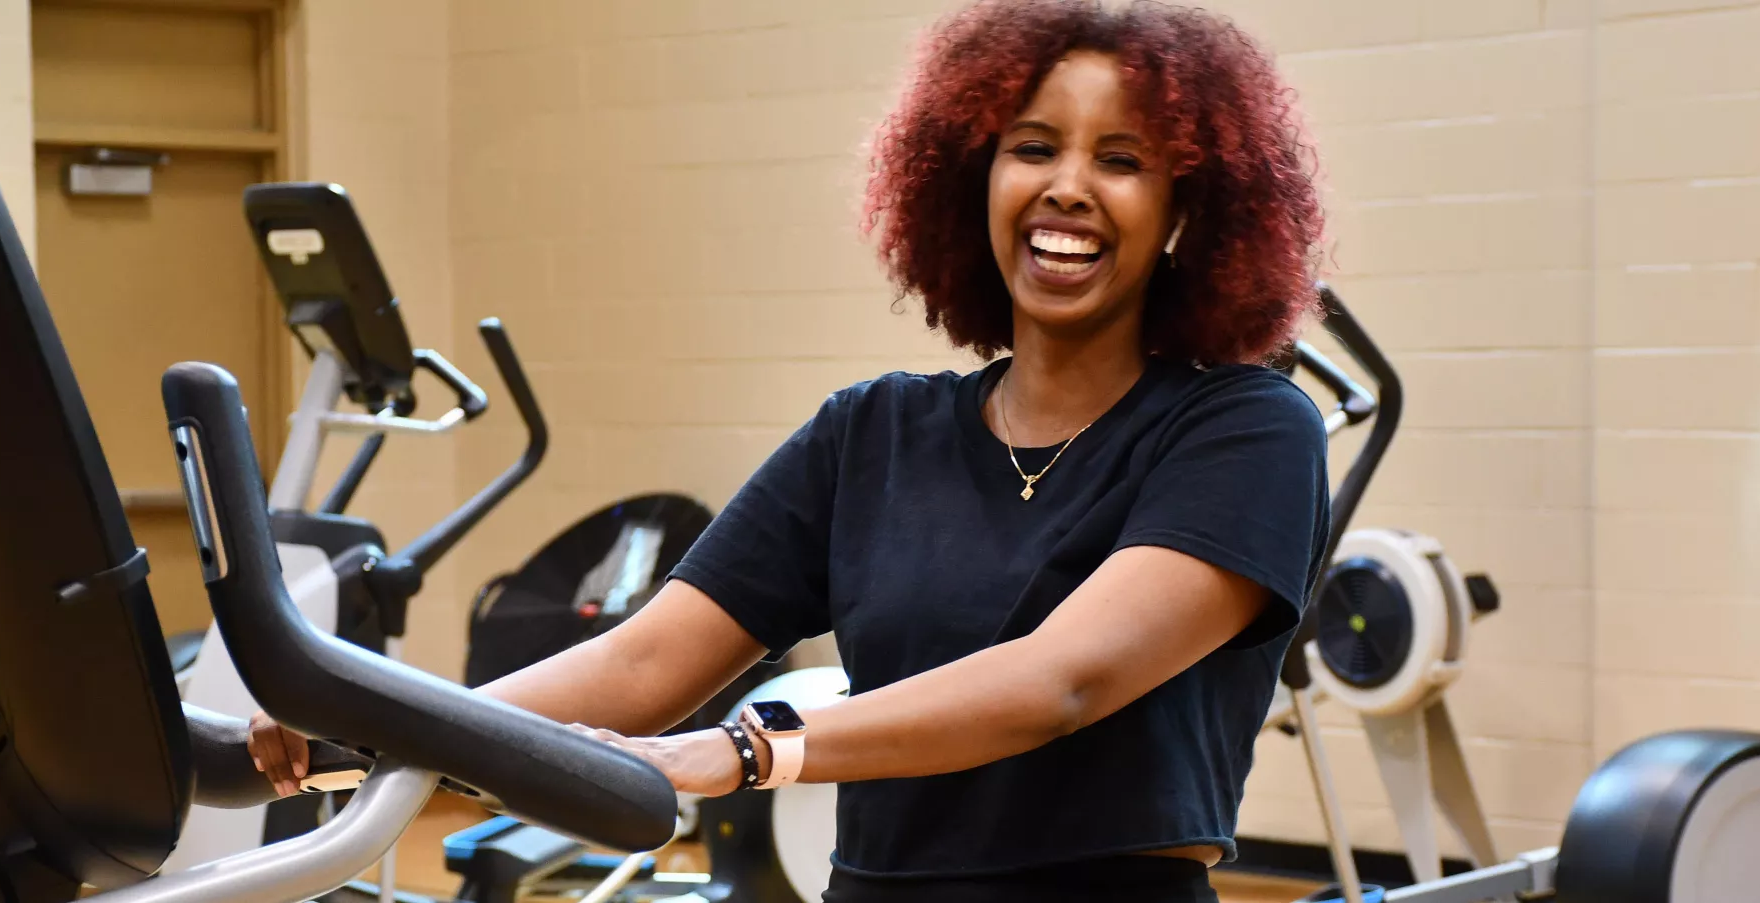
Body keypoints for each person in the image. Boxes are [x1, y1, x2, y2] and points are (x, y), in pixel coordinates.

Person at [250, 1, 1328, 899]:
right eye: (1032, 148)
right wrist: (366, 723)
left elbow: (1062, 682)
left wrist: (750, 748)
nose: (1067, 188)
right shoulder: (873, 432)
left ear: (1189, 209)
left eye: (1123, 160)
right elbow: (643, 660)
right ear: (971, 179)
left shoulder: (1244, 430)